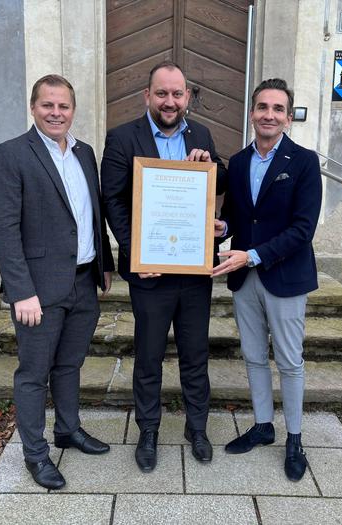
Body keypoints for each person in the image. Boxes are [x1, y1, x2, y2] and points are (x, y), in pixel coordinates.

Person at [0, 74, 115, 489]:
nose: (56, 113)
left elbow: (92, 215)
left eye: (63, 106)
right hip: (38, 290)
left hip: (83, 282)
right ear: (33, 107)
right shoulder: (10, 155)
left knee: (69, 365)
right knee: (33, 373)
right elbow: (3, 229)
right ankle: (35, 454)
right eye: (48, 105)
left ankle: (68, 430)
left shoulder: (84, 153)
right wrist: (20, 291)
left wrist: (105, 264)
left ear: (73, 110)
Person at [101, 61, 227, 472]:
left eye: (177, 94)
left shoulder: (201, 134)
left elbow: (219, 180)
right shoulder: (122, 138)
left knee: (195, 355)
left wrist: (211, 165)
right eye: (162, 94)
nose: (169, 102)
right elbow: (113, 201)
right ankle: (149, 431)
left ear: (187, 97)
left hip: (193, 272)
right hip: (150, 273)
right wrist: (135, 251)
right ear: (147, 96)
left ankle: (198, 428)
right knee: (149, 356)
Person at [212, 78, 322, 482]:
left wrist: (252, 255)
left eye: (278, 108)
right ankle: (262, 425)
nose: (269, 115)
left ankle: (294, 439)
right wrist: (221, 228)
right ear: (252, 113)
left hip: (285, 276)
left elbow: (303, 229)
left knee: (290, 362)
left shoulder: (305, 162)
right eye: (262, 107)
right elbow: (241, 221)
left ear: (288, 118)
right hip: (246, 279)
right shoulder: (239, 162)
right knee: (254, 356)